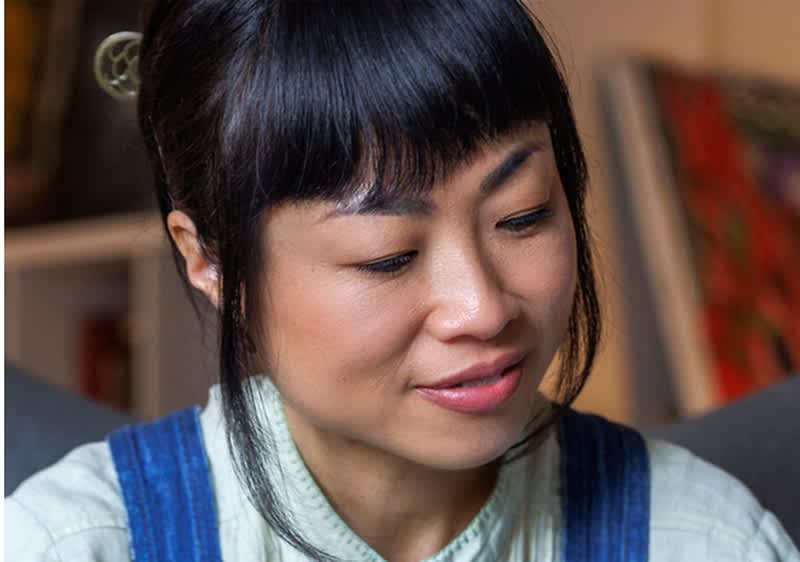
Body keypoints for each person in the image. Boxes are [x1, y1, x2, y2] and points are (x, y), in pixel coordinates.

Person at [6, 1, 799, 561]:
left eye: (522, 215)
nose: (482, 307)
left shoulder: (700, 540)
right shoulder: (74, 545)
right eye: (387, 255)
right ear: (208, 258)